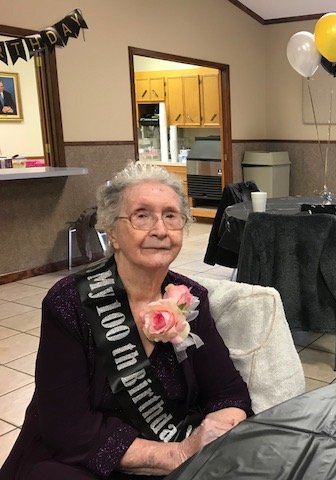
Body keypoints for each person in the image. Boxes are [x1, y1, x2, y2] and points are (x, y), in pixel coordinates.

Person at [0, 162, 252, 479]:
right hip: (80, 459)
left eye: (171, 216)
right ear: (113, 232)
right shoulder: (68, 303)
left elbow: (228, 393)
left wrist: (223, 426)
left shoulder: (191, 298)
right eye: (142, 215)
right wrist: (179, 453)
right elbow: (67, 427)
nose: (160, 229)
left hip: (171, 443)